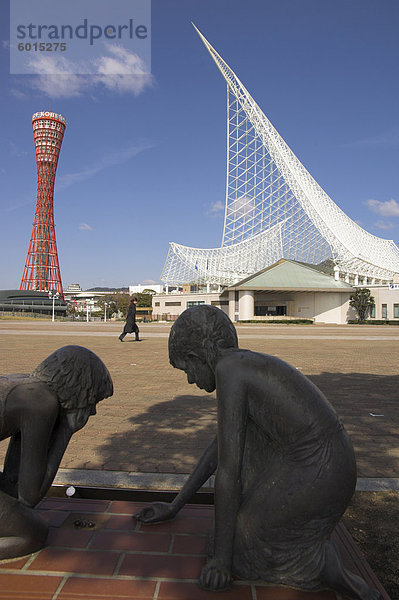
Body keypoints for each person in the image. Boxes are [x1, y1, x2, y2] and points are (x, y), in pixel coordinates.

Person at [136, 305, 379, 600]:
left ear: (199, 355)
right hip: (329, 464)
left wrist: (222, 562)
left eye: (187, 368)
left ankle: (327, 569)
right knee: (223, 535)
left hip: (319, 469)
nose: (190, 380)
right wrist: (175, 506)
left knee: (235, 550)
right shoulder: (241, 365)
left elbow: (228, 471)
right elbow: (218, 450)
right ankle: (306, 549)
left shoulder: (229, 370)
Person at [0, 345, 113, 560]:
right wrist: (66, 431)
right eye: (93, 400)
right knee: (32, 532)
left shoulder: (25, 388)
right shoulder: (41, 403)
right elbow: (29, 498)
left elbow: (12, 482)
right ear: (80, 390)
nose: (93, 410)